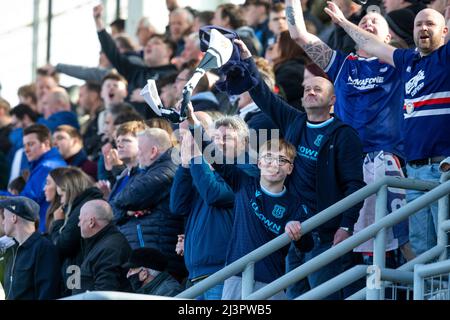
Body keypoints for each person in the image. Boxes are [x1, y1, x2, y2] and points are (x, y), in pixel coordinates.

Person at [229, 39, 365, 299]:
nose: (310, 92)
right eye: (307, 89)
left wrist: (346, 226)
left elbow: (354, 185)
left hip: (324, 232)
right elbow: (263, 95)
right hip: (292, 229)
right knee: (294, 296)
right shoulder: (294, 120)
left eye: (317, 89)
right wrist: (247, 60)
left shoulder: (344, 135)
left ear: (333, 100)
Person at [286, 0, 412, 269]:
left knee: (397, 244)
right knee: (348, 247)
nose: (368, 21)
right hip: (345, 166)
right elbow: (298, 34)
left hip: (385, 161)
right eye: (363, 20)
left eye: (376, 21)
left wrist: (347, 22)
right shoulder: (342, 65)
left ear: (388, 36)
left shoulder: (400, 64)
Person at [324, 3, 450, 256]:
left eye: (430, 24)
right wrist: (343, 22)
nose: (423, 28)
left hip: (442, 167)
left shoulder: (446, 57)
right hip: (414, 170)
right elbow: (371, 45)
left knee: (444, 241)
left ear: (445, 31)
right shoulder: (407, 60)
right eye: (418, 24)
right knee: (421, 247)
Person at [111, 127, 187, 281]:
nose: (137, 155)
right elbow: (113, 206)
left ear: (153, 151)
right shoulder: (149, 171)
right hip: (150, 253)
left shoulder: (168, 168)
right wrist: (126, 212)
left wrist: (123, 209)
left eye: (140, 150)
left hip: (160, 257)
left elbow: (127, 198)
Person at [170, 130, 234, 300]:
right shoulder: (201, 174)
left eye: (223, 139)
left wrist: (196, 158)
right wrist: (185, 165)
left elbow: (213, 194)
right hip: (196, 273)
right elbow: (178, 206)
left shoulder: (240, 175)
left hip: (222, 272)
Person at [1, 124, 67, 232]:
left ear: (46, 144)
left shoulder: (47, 167)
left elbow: (26, 202)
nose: (26, 150)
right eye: (24, 145)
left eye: (30, 144)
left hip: (45, 231)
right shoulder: (48, 163)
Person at [49, 167, 103, 296]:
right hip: (76, 269)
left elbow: (64, 245)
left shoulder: (82, 207)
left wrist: (57, 223)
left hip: (78, 270)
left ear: (70, 190)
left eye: (61, 195)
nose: (60, 201)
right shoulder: (82, 204)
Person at [1, 197, 61, 300]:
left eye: (4, 217)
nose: (2, 222)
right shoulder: (12, 250)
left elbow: (47, 294)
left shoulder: (44, 248)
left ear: (14, 218)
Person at [73, 199, 131, 295]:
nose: (78, 224)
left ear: (91, 222)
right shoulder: (102, 242)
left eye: (80, 220)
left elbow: (104, 294)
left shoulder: (109, 249)